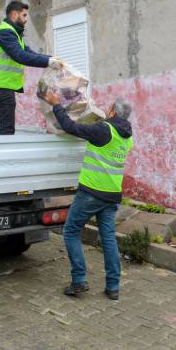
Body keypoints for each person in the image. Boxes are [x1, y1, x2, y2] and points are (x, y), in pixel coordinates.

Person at [41, 90, 134, 300]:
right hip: (111, 194)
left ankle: (79, 280)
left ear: (112, 112)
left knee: (71, 231)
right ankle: (113, 287)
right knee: (108, 238)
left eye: (109, 107)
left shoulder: (105, 129)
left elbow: (70, 127)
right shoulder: (127, 138)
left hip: (91, 193)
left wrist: (56, 104)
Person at [0, 0, 66, 135]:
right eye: (24, 15)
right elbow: (20, 56)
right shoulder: (5, 33)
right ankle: (5, 155)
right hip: (1, 88)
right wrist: (48, 62)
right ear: (14, 14)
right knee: (6, 130)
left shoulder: (12, 32)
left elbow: (27, 51)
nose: (26, 20)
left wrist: (50, 58)